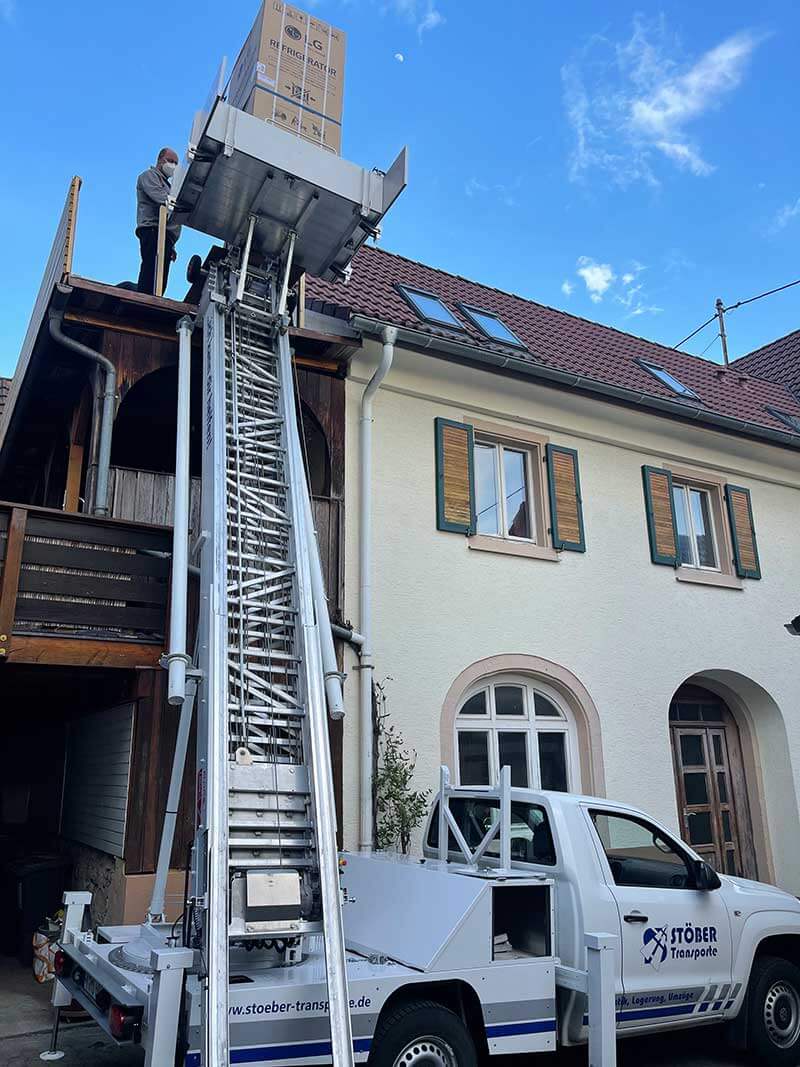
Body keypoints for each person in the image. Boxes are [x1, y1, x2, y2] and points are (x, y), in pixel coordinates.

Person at [136, 148, 182, 295]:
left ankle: (152, 301)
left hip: (165, 236)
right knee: (151, 272)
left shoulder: (169, 186)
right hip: (153, 231)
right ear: (160, 159)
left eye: (176, 163)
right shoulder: (149, 176)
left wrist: (172, 246)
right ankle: (143, 303)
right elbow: (162, 200)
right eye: (170, 161)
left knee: (160, 281)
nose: (173, 165)